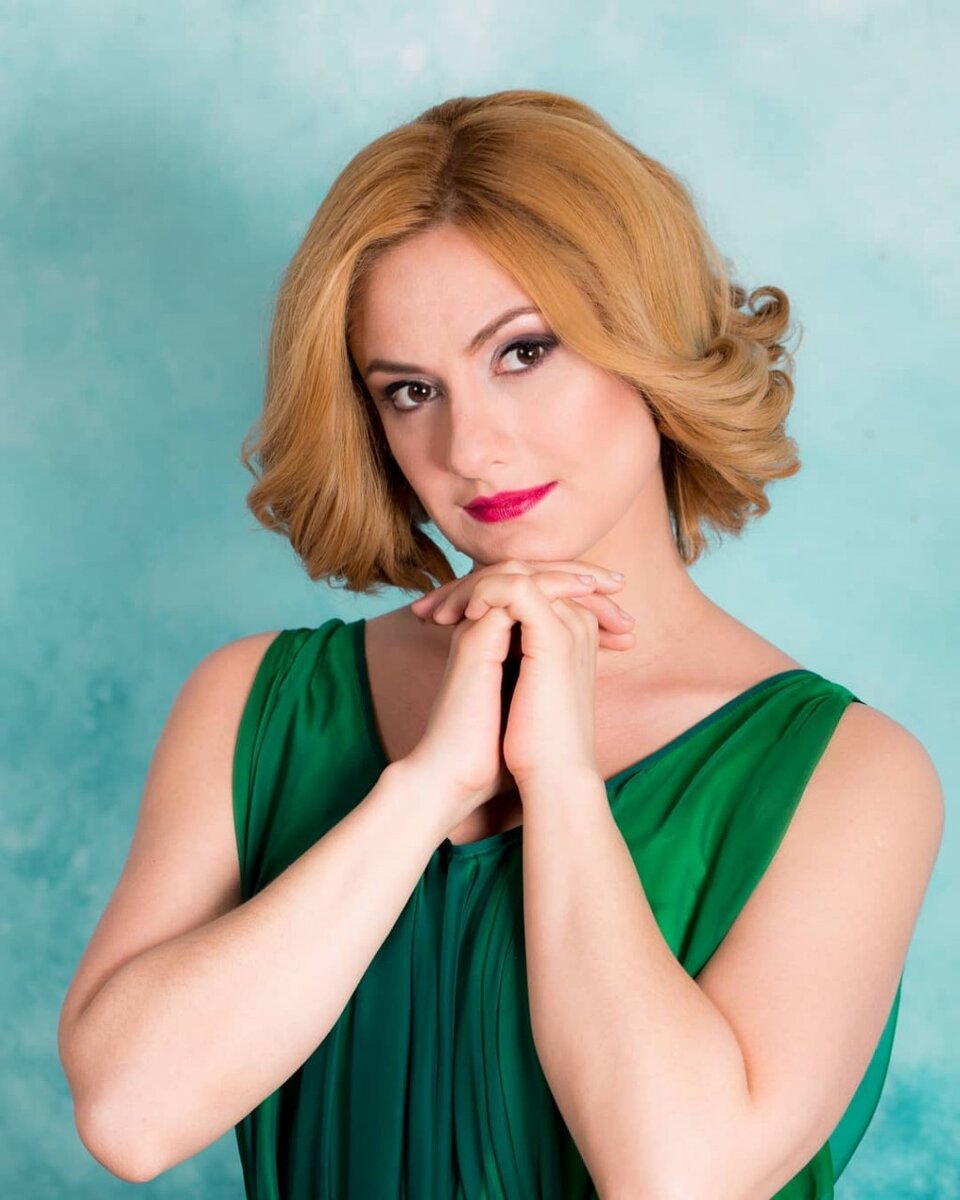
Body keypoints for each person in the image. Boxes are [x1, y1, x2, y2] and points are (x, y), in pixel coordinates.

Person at [58, 89, 944, 1199]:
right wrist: (427, 787)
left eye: (523, 353)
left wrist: (559, 781)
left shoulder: (850, 772)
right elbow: (131, 1116)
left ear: (648, 341)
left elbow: (678, 1176)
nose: (469, 446)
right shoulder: (255, 703)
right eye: (409, 390)